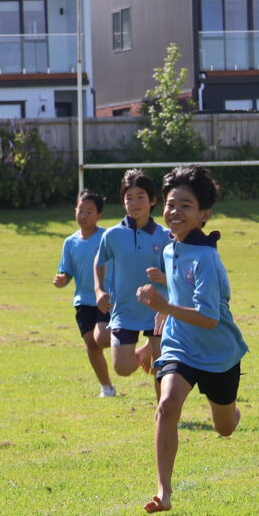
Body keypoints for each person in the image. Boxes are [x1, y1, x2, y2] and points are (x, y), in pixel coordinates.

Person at [136, 166, 247, 513]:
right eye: (170, 204)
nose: (175, 212)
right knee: (167, 405)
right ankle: (163, 491)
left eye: (185, 205)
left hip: (218, 354)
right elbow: (177, 293)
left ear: (203, 215)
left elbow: (209, 317)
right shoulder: (171, 249)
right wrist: (158, 327)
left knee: (225, 428)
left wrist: (165, 305)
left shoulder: (207, 259)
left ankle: (231, 413)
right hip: (180, 346)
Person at [94, 169, 168, 388]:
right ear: (123, 202)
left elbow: (178, 275)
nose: (134, 203)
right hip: (125, 310)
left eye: (140, 197)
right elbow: (99, 262)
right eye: (129, 198)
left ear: (152, 200)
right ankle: (146, 349)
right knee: (123, 368)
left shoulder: (165, 235)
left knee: (160, 368)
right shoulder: (112, 235)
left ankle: (162, 410)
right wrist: (98, 290)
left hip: (158, 310)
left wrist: (163, 278)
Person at [54, 189, 115, 397]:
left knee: (103, 338)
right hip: (83, 300)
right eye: (81, 210)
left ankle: (126, 348)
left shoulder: (106, 237)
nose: (83, 215)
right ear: (75, 211)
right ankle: (107, 387)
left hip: (106, 296)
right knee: (91, 344)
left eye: (89, 212)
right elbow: (66, 271)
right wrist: (62, 280)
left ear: (99, 215)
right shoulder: (70, 242)